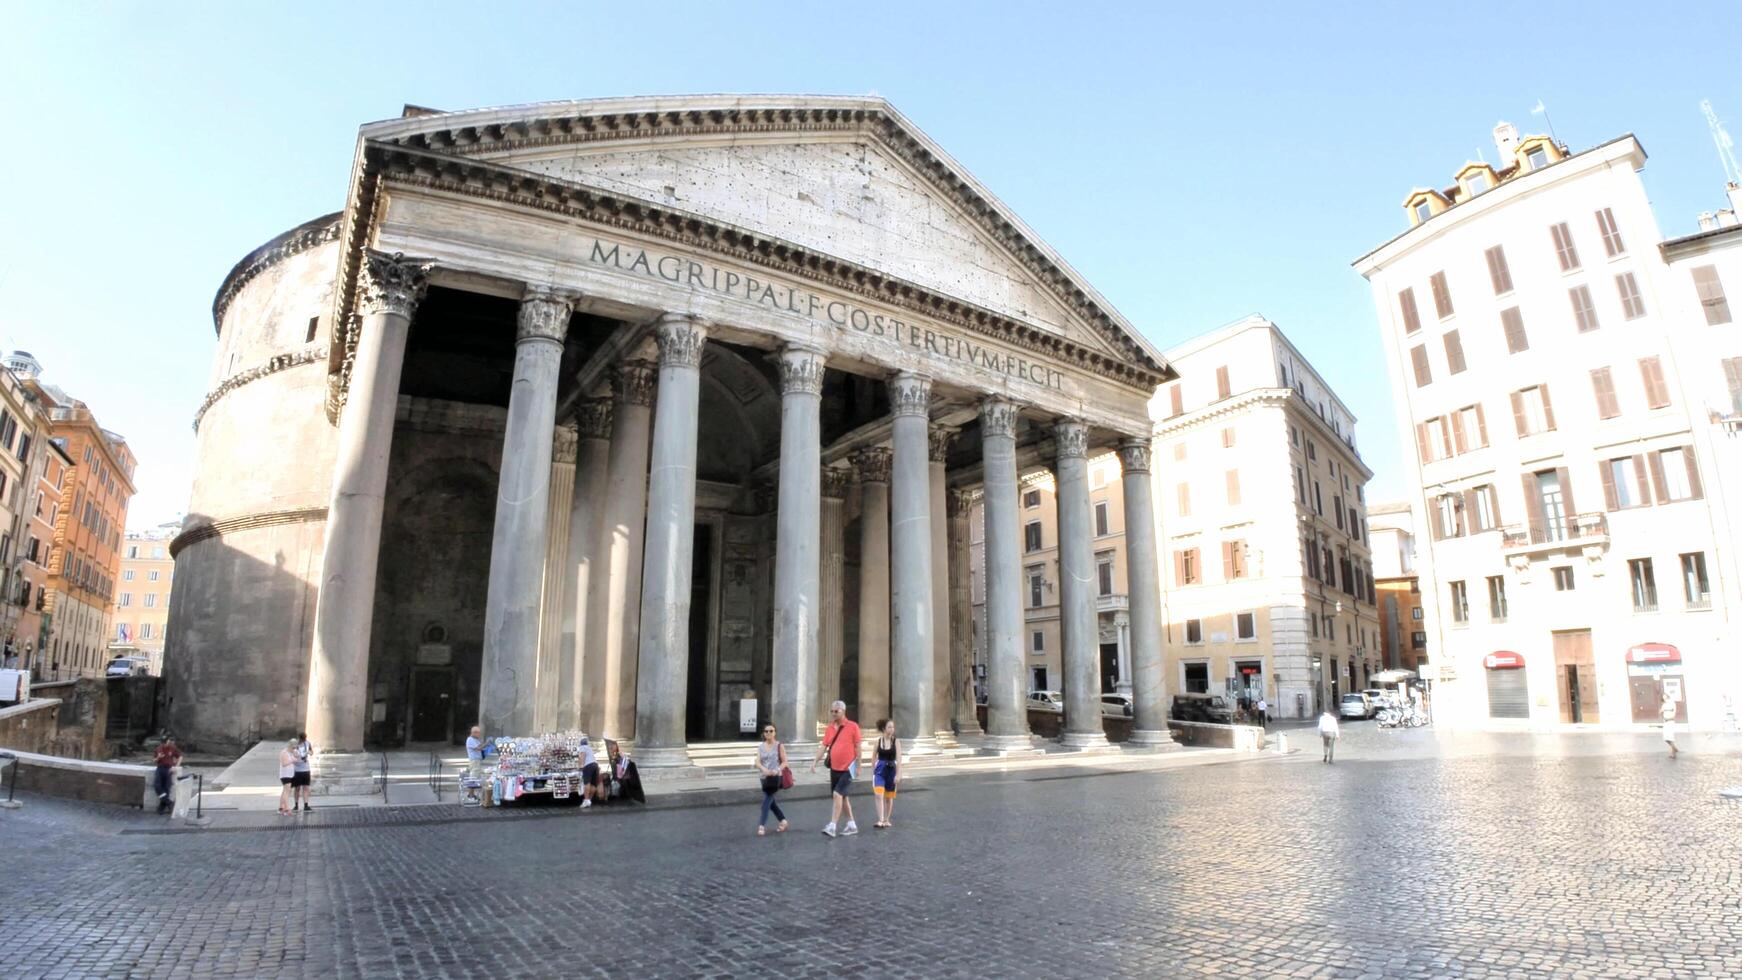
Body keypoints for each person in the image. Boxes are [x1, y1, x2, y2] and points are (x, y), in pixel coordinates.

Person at [808, 699, 861, 837]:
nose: (833, 713)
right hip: (835, 767)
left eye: (836, 711)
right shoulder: (830, 728)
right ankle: (851, 825)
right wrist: (814, 761)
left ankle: (832, 826)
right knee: (842, 797)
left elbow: (858, 747)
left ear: (843, 711)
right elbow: (824, 746)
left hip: (849, 767)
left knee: (838, 794)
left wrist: (859, 766)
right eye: (831, 711)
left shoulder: (853, 726)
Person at [755, 722, 790, 835]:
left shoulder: (779, 745)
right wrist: (763, 769)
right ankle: (783, 821)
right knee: (771, 802)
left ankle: (761, 825)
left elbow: (785, 762)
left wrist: (777, 770)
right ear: (763, 733)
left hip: (776, 777)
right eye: (766, 731)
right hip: (764, 777)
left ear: (775, 733)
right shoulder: (761, 746)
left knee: (766, 801)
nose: (769, 733)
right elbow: (757, 762)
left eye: (771, 731)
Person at [872, 719, 899, 829]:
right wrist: (873, 769)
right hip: (880, 770)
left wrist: (898, 774)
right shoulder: (878, 741)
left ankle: (886, 819)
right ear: (884, 729)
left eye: (893, 727)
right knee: (878, 794)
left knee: (888, 797)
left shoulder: (896, 741)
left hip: (892, 769)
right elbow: (873, 756)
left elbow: (899, 759)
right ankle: (880, 820)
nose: (892, 729)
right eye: (889, 727)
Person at [152, 737, 183, 814]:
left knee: (166, 787)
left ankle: (161, 807)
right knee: (157, 786)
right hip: (160, 768)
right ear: (166, 742)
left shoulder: (173, 748)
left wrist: (176, 767)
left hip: (169, 769)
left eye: (172, 743)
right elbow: (154, 760)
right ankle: (169, 803)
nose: (171, 744)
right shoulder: (159, 748)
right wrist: (159, 757)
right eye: (169, 742)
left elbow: (180, 756)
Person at [277, 738, 299, 815]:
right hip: (285, 775)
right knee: (287, 791)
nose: (294, 749)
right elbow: (284, 764)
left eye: (295, 747)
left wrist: (296, 756)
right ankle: (286, 809)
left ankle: (281, 808)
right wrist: (292, 760)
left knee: (285, 791)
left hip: (290, 774)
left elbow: (298, 759)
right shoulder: (284, 753)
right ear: (289, 746)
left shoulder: (292, 752)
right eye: (293, 747)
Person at [292, 732, 314, 812]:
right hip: (297, 769)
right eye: (302, 739)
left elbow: (311, 752)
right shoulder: (294, 745)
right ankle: (296, 805)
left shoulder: (307, 743)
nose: (303, 740)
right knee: (297, 788)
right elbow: (291, 755)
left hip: (305, 769)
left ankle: (306, 805)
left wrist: (309, 752)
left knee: (305, 787)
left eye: (304, 739)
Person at [578, 735, 600, 809]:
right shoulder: (589, 748)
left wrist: (581, 766)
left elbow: (582, 756)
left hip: (588, 765)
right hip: (595, 765)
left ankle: (586, 800)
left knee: (587, 783)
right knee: (593, 784)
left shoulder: (582, 747)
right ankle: (589, 800)